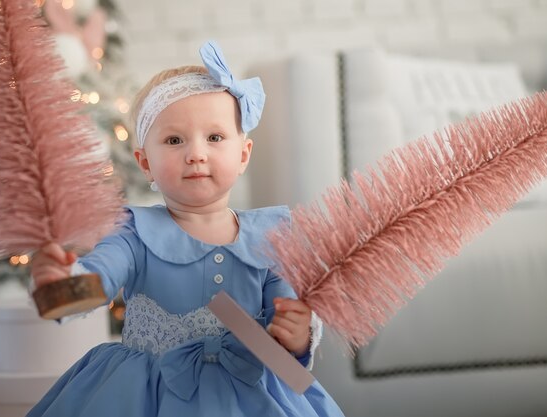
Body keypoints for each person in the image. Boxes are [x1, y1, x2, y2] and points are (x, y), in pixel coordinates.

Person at [27, 40, 345, 417]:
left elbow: (287, 311)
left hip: (251, 394)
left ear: (243, 154)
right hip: (148, 393)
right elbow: (100, 276)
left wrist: (297, 334)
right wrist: (63, 282)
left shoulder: (273, 236)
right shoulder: (134, 233)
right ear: (145, 163)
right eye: (174, 140)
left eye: (214, 138)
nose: (196, 153)